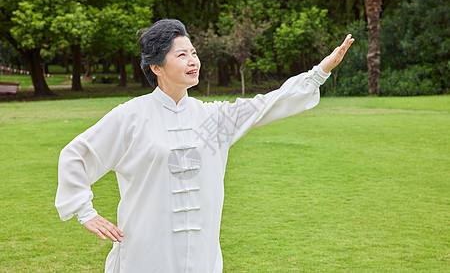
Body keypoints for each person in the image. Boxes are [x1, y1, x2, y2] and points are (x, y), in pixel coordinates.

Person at [55, 19, 354, 273]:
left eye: (194, 53)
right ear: (157, 67)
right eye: (182, 54)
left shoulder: (212, 119)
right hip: (146, 256)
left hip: (201, 257)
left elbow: (267, 104)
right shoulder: (131, 117)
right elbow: (76, 156)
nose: (193, 60)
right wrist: (85, 211)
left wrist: (319, 72)